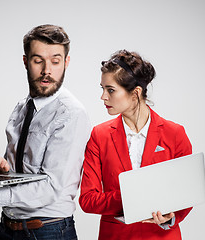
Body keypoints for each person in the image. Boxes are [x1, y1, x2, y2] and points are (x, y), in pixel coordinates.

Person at [0, 24, 91, 240]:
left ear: (66, 63)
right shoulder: (21, 108)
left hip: (48, 231)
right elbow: (26, 172)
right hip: (8, 226)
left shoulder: (72, 114)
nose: (47, 71)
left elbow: (51, 187)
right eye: (38, 60)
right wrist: (4, 170)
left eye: (55, 61)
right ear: (25, 61)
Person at [79, 50, 192, 240]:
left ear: (136, 93)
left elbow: (187, 193)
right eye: (102, 88)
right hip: (116, 236)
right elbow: (88, 199)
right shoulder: (99, 135)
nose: (103, 97)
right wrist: (132, 195)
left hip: (161, 236)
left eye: (111, 90)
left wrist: (170, 218)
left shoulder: (175, 133)